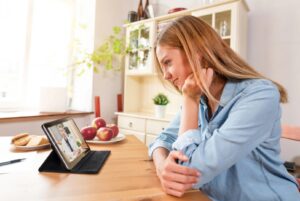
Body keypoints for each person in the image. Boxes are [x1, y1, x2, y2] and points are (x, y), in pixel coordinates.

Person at [148, 15, 300, 201]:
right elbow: (162, 139)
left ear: (196, 53)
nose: (165, 76)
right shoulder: (201, 97)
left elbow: (189, 172)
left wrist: (189, 100)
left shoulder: (260, 95)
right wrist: (162, 165)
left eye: (167, 62)